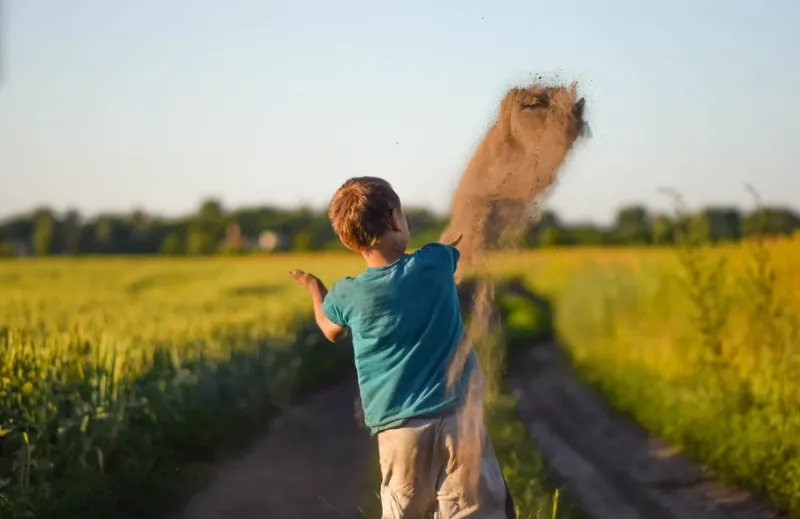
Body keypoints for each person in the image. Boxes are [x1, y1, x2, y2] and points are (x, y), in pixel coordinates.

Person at [289, 176, 515, 519]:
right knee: (474, 511)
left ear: (347, 240)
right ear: (395, 218)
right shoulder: (435, 260)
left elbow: (330, 330)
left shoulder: (347, 293)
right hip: (459, 420)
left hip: (399, 431)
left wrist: (315, 289)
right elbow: (454, 248)